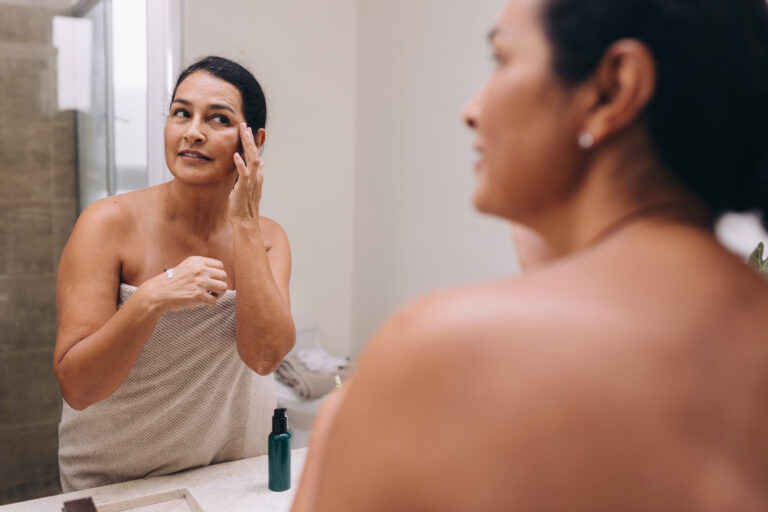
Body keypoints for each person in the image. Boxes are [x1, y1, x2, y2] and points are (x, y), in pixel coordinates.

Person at [292, 0, 768, 509]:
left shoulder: (444, 356)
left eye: (501, 60)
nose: (471, 109)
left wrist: (337, 428)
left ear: (612, 89)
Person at [54, 56, 295, 491]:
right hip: (115, 477)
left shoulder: (268, 238)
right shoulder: (106, 224)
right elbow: (78, 387)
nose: (193, 132)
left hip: (230, 471)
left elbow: (264, 357)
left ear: (253, 140)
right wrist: (151, 298)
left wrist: (244, 224)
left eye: (217, 119)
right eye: (181, 113)